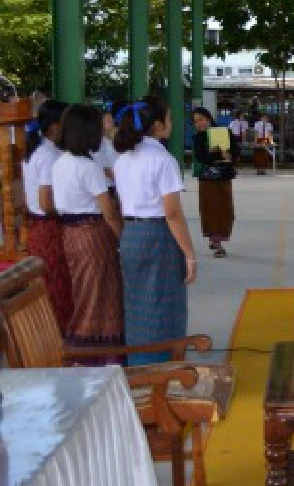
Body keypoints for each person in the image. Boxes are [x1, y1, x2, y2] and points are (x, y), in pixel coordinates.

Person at [113, 96, 198, 365]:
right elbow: (172, 213)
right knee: (164, 306)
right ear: (158, 125)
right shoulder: (162, 160)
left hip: (131, 235)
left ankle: (139, 367)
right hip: (157, 235)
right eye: (170, 119)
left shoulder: (122, 159)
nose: (172, 124)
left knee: (137, 307)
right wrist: (189, 254)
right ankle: (162, 370)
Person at [51, 105, 123, 345]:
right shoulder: (88, 167)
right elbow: (109, 212)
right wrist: (122, 238)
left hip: (70, 233)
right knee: (99, 294)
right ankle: (91, 349)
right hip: (92, 233)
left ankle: (86, 345)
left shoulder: (61, 162)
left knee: (84, 290)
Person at [23, 99, 73, 331]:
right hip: (50, 228)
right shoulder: (49, 156)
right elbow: (46, 202)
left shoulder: (37, 151)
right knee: (57, 287)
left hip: (39, 228)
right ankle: (58, 340)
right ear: (54, 127)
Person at [192, 108, 236, 258]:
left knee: (225, 210)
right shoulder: (198, 137)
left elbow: (235, 151)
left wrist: (229, 155)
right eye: (196, 121)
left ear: (208, 118)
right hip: (208, 180)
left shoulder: (225, 132)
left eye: (201, 119)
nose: (199, 123)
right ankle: (217, 243)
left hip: (224, 177)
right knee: (211, 210)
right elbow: (202, 157)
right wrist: (218, 153)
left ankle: (217, 237)